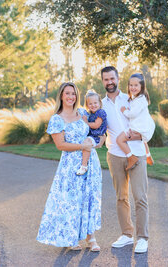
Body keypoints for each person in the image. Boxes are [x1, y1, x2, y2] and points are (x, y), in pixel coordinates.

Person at [36, 82, 102, 252]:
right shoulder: (57, 119)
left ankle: (91, 238)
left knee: (88, 198)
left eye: (73, 93)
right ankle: (70, 237)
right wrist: (82, 147)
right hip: (70, 165)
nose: (71, 97)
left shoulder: (82, 112)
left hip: (91, 162)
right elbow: (61, 145)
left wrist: (96, 142)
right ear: (61, 96)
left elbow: (96, 131)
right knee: (71, 201)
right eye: (67, 93)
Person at [101, 66, 150, 253]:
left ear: (117, 78)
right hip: (114, 154)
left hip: (136, 153)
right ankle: (127, 235)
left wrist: (141, 137)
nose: (109, 82)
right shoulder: (101, 104)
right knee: (121, 197)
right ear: (103, 81)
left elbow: (146, 123)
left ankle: (143, 237)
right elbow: (99, 128)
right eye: (106, 79)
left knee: (140, 197)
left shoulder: (131, 98)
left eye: (112, 78)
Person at [117, 73, 155, 171]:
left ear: (141, 86)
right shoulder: (139, 98)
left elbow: (132, 114)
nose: (133, 87)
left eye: (136, 85)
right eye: (131, 85)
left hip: (137, 128)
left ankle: (131, 158)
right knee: (143, 141)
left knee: (119, 140)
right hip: (142, 127)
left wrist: (124, 110)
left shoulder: (140, 100)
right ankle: (148, 156)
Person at [76, 90, 107, 175]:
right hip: (92, 135)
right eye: (90, 104)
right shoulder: (91, 114)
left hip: (96, 136)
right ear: (87, 105)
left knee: (86, 144)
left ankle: (84, 166)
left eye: (95, 103)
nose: (93, 105)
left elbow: (96, 125)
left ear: (99, 103)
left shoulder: (101, 112)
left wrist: (86, 122)